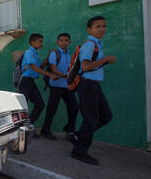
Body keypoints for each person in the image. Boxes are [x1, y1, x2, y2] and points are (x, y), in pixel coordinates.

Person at [71, 16, 116, 166]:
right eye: (98, 26)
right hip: (87, 85)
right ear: (89, 29)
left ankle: (79, 136)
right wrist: (105, 59)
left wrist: (104, 61)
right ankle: (79, 151)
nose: (102, 29)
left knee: (105, 116)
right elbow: (85, 67)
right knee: (90, 120)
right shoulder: (90, 44)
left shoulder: (97, 44)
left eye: (104, 26)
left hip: (94, 86)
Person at [40, 33, 79, 142]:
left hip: (67, 86)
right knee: (51, 109)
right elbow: (54, 69)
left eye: (66, 40)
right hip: (56, 86)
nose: (64, 42)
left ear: (69, 42)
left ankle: (69, 129)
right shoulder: (54, 53)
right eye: (61, 40)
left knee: (74, 107)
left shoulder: (69, 54)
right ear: (58, 42)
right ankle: (45, 131)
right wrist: (67, 76)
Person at [18, 33, 59, 137]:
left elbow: (39, 67)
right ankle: (19, 131)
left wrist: (47, 59)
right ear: (33, 42)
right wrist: (50, 74)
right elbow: (35, 68)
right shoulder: (28, 52)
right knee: (23, 107)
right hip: (26, 82)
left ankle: (28, 127)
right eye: (40, 41)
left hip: (31, 82)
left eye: (42, 41)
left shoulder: (34, 54)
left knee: (40, 105)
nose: (42, 43)